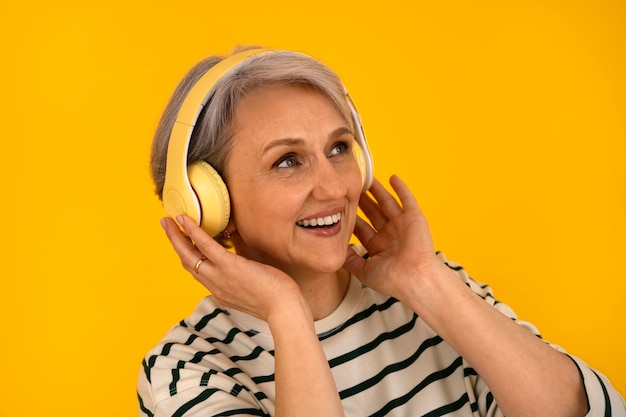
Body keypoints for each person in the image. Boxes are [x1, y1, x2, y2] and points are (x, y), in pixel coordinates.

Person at [137, 47, 625, 417]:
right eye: (287, 161)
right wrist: (287, 314)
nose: (332, 188)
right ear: (210, 202)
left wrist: (426, 281)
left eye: (338, 148)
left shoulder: (437, 289)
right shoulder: (185, 369)